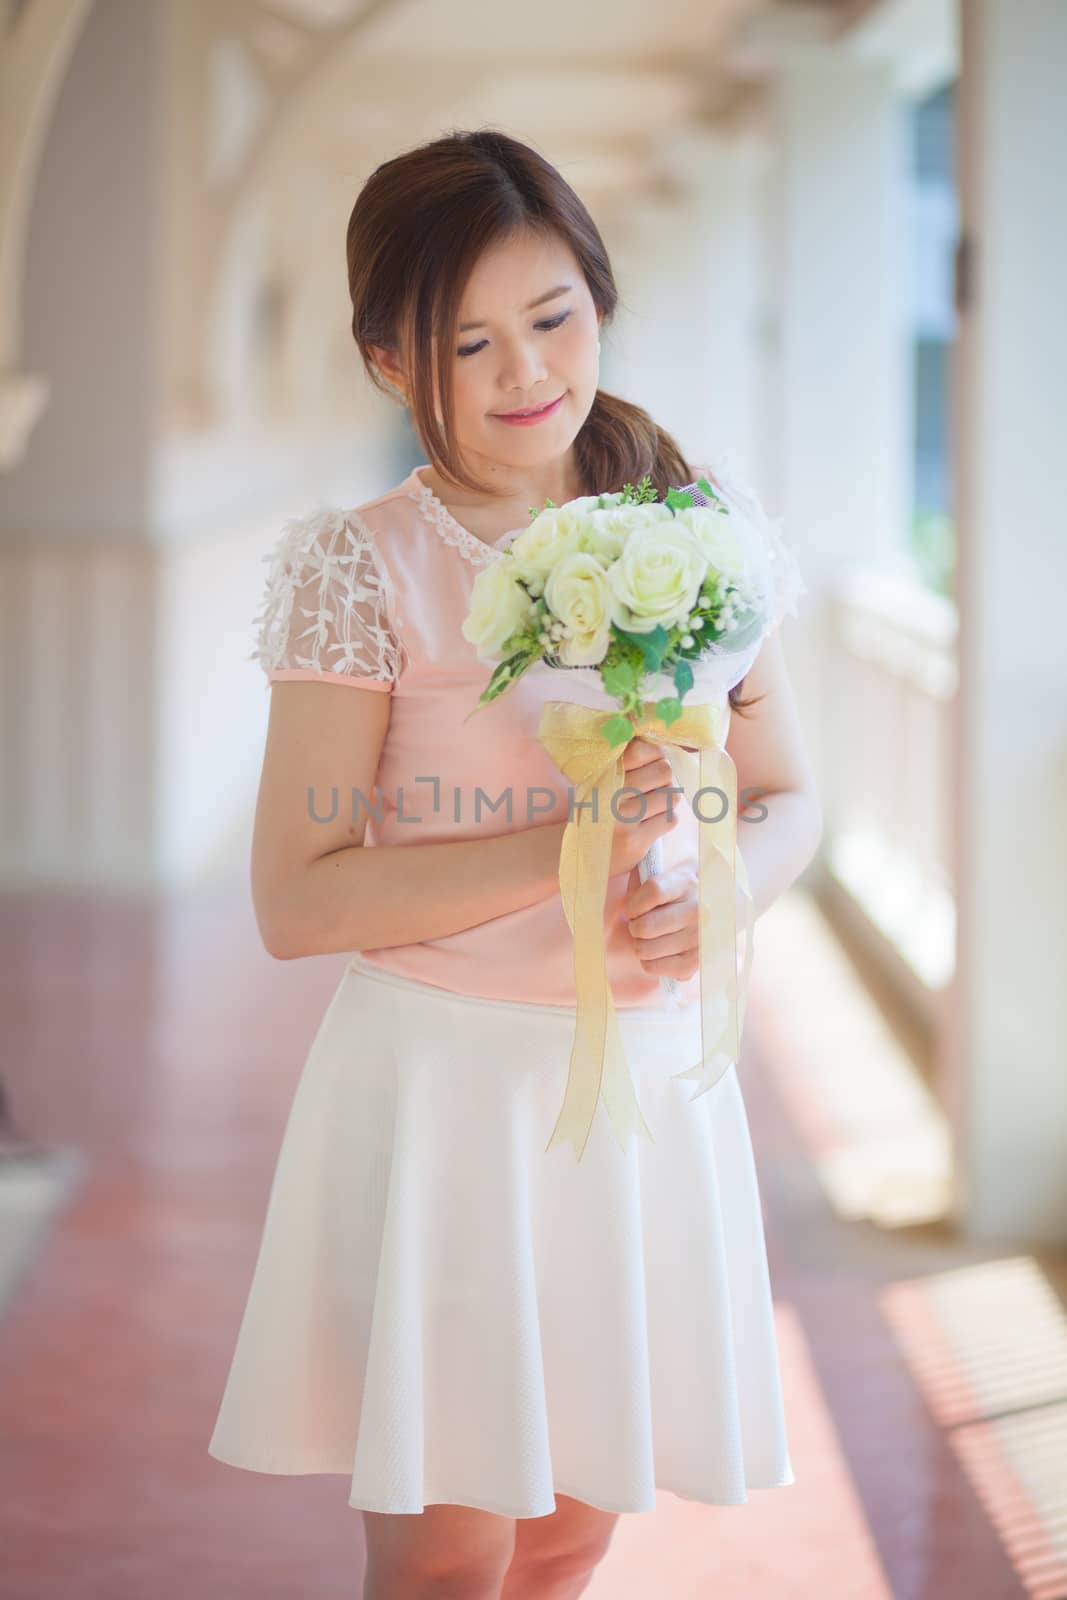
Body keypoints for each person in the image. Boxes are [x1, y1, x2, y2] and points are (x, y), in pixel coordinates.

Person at [208, 128, 822, 1600]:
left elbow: (785, 794)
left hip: (645, 1093)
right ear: (383, 364)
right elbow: (298, 897)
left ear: (600, 298)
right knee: (448, 1555)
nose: (521, 372)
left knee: (569, 1534)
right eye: (463, 342)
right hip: (450, 1096)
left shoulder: (697, 526)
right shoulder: (361, 566)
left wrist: (718, 911)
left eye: (553, 318)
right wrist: (564, 842)